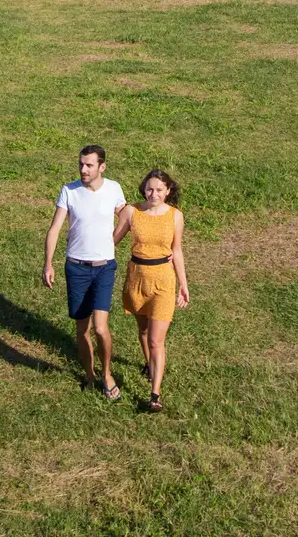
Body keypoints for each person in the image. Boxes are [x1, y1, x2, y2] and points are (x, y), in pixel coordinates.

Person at [42, 145, 129, 400]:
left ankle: (107, 374)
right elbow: (55, 228)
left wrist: (114, 240)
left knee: (101, 328)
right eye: (81, 164)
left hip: (104, 268)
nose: (83, 169)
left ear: (102, 167)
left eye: (89, 165)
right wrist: (48, 263)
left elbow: (128, 217)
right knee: (82, 329)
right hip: (76, 267)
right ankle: (90, 376)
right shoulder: (69, 191)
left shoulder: (113, 188)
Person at [113, 169, 189, 413]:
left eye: (159, 189)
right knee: (144, 332)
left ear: (168, 191)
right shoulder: (132, 211)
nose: (153, 193)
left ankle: (154, 394)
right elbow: (112, 240)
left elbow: (176, 250)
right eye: (149, 188)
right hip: (137, 279)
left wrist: (183, 285)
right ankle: (149, 365)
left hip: (164, 283)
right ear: (143, 189)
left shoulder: (175, 216)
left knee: (157, 340)